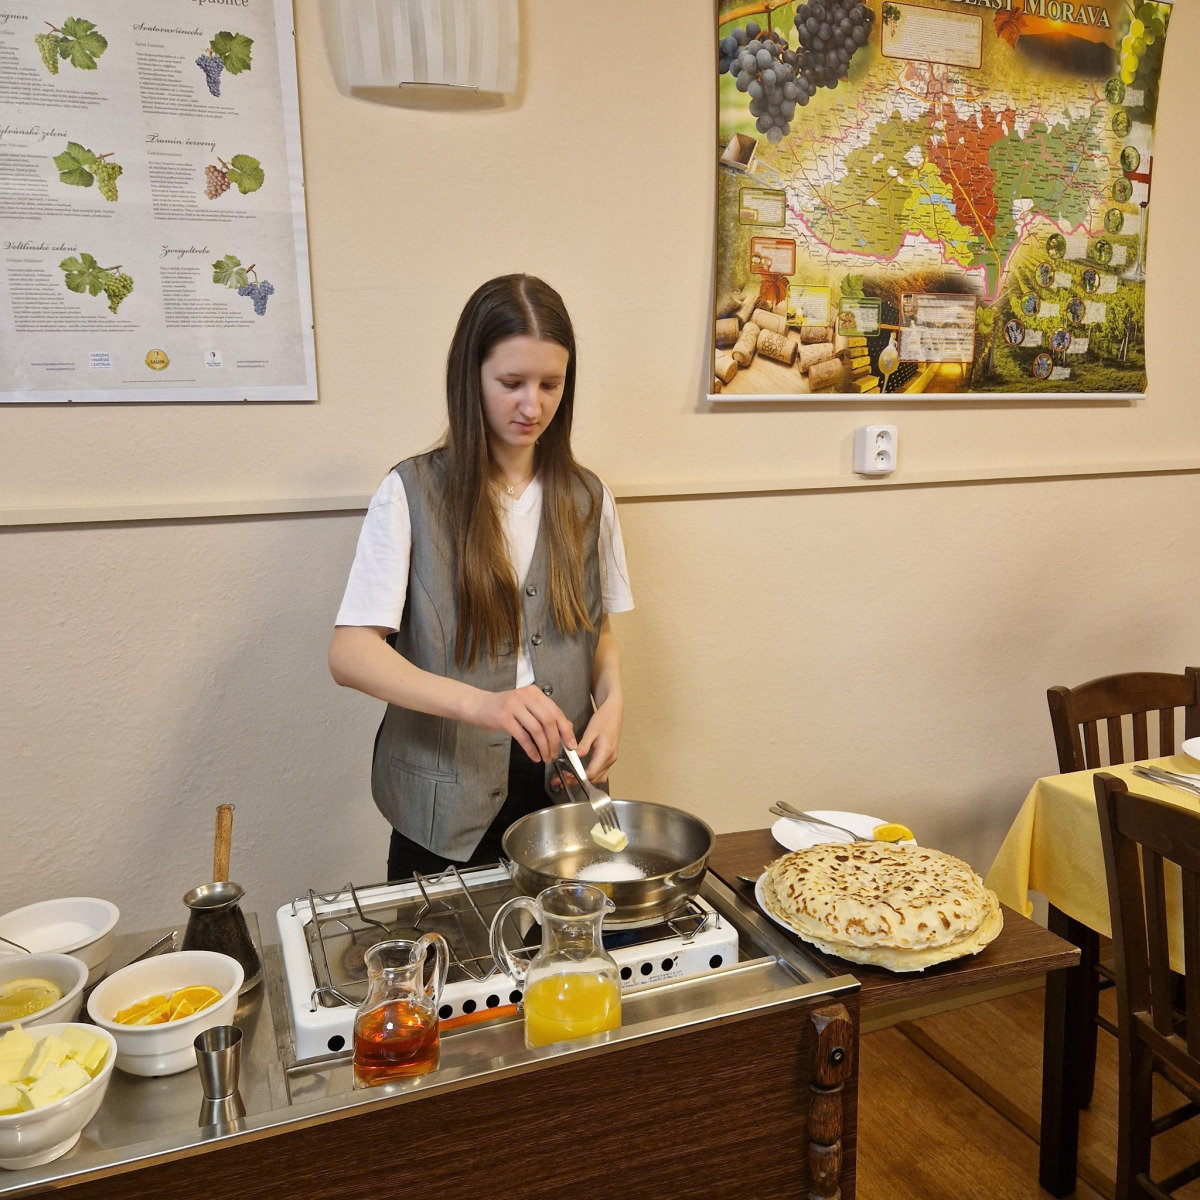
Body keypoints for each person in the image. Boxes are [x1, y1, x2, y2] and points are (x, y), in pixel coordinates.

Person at [329, 274, 633, 881]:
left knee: (565, 940)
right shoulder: (411, 492)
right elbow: (351, 654)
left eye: (551, 385)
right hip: (444, 801)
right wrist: (486, 705)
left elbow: (596, 632)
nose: (533, 406)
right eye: (511, 383)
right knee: (443, 944)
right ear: (470, 378)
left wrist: (614, 703)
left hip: (562, 791)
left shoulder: (588, 497)